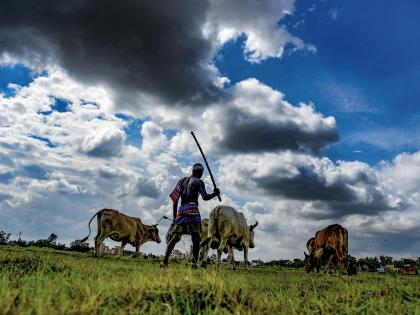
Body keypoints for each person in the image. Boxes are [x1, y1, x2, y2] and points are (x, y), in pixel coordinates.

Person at [161, 163, 220, 268]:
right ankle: (194, 264)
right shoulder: (199, 182)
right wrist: (215, 194)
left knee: (175, 237)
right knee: (196, 238)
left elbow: (175, 201)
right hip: (192, 209)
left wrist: (175, 218)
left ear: (192, 171)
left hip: (181, 210)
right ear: (201, 173)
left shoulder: (182, 181)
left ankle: (164, 261)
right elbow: (205, 197)